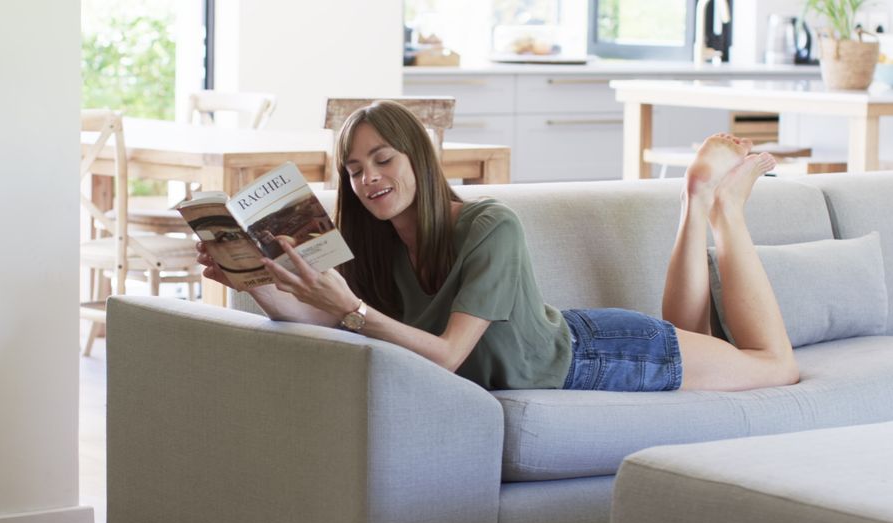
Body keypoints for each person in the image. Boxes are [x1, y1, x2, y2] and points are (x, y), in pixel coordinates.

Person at [196, 100, 799, 392]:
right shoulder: (373, 245)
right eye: (354, 171)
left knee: (775, 366)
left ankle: (725, 209)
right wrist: (254, 280)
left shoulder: (490, 226)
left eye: (383, 159)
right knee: (694, 333)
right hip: (566, 333)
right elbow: (322, 319)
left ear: (418, 158)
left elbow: (448, 355)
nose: (369, 179)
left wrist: (353, 311)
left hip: (598, 353)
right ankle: (694, 199)